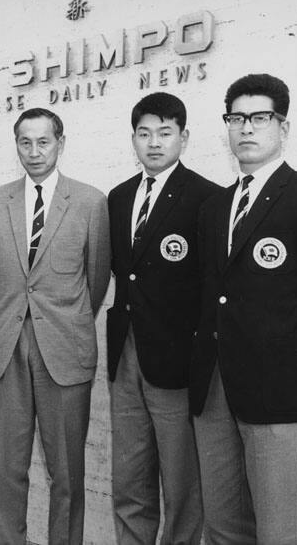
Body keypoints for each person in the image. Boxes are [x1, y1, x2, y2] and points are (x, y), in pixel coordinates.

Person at [190, 73, 297, 544]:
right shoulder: (213, 208)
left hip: (276, 388)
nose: (246, 128)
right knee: (222, 524)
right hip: (214, 387)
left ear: (283, 127)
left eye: (259, 117)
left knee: (278, 526)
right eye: (236, 118)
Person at [0, 107, 111, 545]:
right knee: (8, 467)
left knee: (67, 472)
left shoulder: (91, 202)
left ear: (60, 142)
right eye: (25, 142)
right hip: (8, 348)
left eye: (43, 142)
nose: (34, 152)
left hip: (64, 348)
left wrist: (66, 319)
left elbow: (95, 279)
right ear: (15, 145)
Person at [106, 92, 219, 544]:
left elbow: (212, 287)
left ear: (183, 137)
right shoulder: (118, 197)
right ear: (133, 138)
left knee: (181, 484)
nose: (154, 142)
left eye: (165, 133)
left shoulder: (207, 198)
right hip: (125, 356)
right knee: (129, 478)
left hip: (176, 361)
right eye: (145, 133)